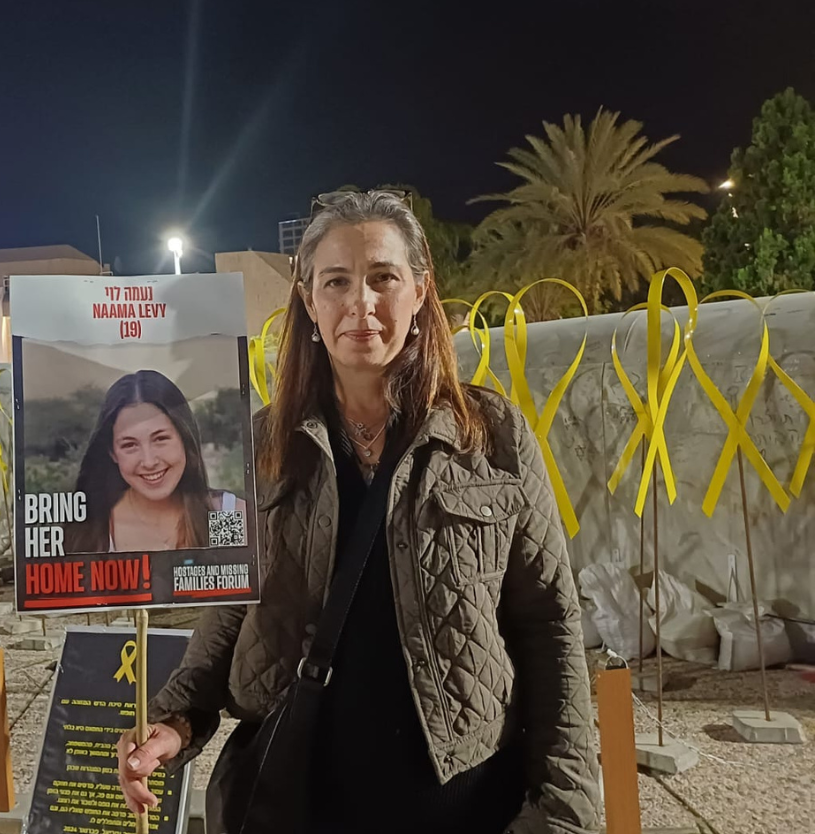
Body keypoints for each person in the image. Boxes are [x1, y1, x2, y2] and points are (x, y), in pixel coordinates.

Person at [117, 191, 600, 832]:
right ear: (309, 301)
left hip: (464, 802)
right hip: (304, 800)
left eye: (383, 278)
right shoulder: (258, 448)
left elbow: (551, 625)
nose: (361, 304)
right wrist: (175, 721)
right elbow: (230, 606)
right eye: (337, 281)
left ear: (421, 292)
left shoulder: (493, 436)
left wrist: (567, 809)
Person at [67, 369, 245, 554]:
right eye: (130, 445)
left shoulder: (224, 514)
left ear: (184, 438)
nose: (149, 461)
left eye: (160, 439)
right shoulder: (91, 532)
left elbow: (236, 577)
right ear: (112, 453)